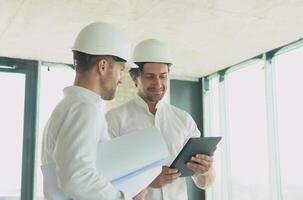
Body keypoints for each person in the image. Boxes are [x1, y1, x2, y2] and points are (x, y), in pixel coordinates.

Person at [41, 22, 144, 200]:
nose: (120, 80)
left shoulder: (68, 107)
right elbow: (77, 177)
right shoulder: (84, 110)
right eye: (120, 70)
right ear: (103, 66)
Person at [105, 39, 216, 200]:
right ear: (134, 77)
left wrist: (206, 170)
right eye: (150, 76)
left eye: (163, 76)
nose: (158, 83)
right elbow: (103, 179)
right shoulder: (114, 120)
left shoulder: (184, 120)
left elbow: (205, 183)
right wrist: (146, 181)